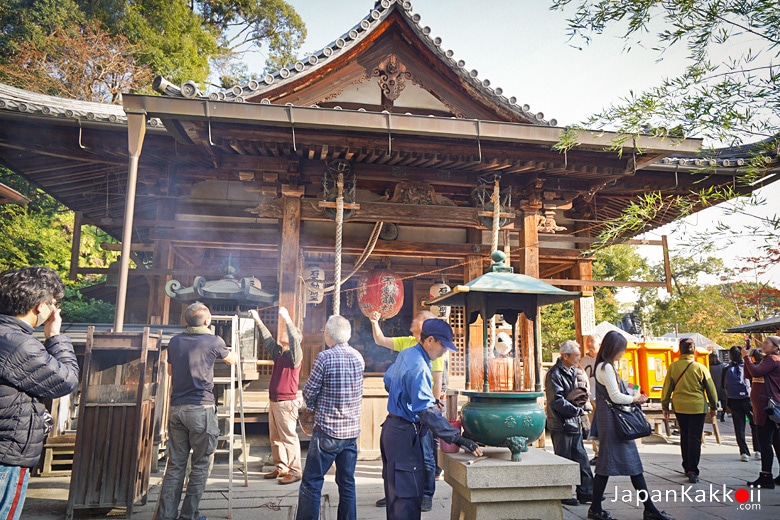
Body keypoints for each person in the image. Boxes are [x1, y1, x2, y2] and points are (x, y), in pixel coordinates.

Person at [381, 318, 482, 520]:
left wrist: (405, 398)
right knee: (407, 499)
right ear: (430, 340)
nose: (444, 351)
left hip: (391, 431)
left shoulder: (406, 354)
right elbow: (426, 411)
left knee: (395, 496)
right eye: (443, 346)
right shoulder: (419, 366)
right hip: (404, 435)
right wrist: (458, 438)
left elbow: (388, 381)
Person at [0, 267, 80, 520]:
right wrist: (55, 336)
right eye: (53, 303)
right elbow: (66, 380)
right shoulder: (18, 343)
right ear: (39, 306)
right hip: (7, 452)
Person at [158, 302, 238, 520]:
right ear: (206, 321)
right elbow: (231, 360)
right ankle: (189, 515)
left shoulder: (174, 342)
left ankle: (166, 515)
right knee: (201, 463)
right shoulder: (214, 340)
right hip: (201, 407)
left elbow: (171, 371)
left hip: (176, 408)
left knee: (175, 464)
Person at [588, 331, 674, 520]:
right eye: (621, 350)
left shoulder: (602, 366)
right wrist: (635, 399)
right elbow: (616, 397)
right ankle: (649, 509)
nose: (622, 353)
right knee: (629, 465)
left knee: (607, 465)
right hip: (613, 422)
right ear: (613, 349)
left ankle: (596, 507)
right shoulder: (606, 367)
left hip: (609, 420)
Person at [369, 310, 443, 510]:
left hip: (422, 412)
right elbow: (380, 340)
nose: (413, 322)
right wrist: (374, 322)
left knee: (426, 455)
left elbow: (437, 380)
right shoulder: (408, 342)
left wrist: (432, 406)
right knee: (396, 457)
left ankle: (427, 494)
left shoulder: (434, 347)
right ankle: (393, 492)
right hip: (402, 414)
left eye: (418, 320)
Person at [296, 315, 364, 520]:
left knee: (312, 482)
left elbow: (309, 392)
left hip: (327, 431)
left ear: (328, 335)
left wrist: (312, 405)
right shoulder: (358, 357)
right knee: (347, 483)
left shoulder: (325, 358)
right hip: (351, 432)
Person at [250, 307, 303, 485]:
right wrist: (258, 320)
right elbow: (267, 340)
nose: (283, 333)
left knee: (288, 437)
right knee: (275, 437)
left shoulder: (296, 356)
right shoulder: (280, 353)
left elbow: (295, 339)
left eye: (287, 333)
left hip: (286, 402)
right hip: (274, 401)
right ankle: (282, 467)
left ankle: (295, 470)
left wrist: (287, 318)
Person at [661, 338, 718, 484]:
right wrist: (713, 406)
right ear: (694, 350)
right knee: (695, 437)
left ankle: (686, 465)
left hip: (680, 406)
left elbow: (667, 387)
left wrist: (665, 406)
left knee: (684, 435)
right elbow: (711, 389)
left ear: (680, 350)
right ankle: (693, 469)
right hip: (697, 407)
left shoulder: (673, 367)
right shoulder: (701, 368)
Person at [545, 340, 593, 506]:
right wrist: (576, 410)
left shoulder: (572, 370)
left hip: (574, 421)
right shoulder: (555, 374)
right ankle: (563, 493)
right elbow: (556, 400)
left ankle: (586, 492)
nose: (579, 358)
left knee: (582, 458)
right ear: (565, 356)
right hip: (561, 422)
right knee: (563, 459)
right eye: (576, 355)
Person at [743, 336, 780, 489]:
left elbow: (756, 373)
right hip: (765, 405)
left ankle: (766, 475)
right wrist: (748, 358)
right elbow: (749, 374)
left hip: (767, 406)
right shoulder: (769, 360)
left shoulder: (772, 359)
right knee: (776, 441)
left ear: (776, 346)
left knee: (764, 440)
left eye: (766, 343)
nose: (763, 345)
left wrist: (746, 357)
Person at [722, 346, 760, 462]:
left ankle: (744, 452)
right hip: (748, 399)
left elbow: (722, 386)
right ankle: (758, 450)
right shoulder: (748, 366)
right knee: (754, 425)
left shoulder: (726, 368)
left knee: (739, 427)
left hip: (733, 400)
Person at [580, 334, 601, 465]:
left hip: (603, 398)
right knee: (594, 426)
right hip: (589, 398)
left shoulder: (605, 360)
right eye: (588, 341)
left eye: (592, 341)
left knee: (604, 426)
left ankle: (606, 453)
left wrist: (636, 388)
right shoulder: (583, 361)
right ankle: (598, 453)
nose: (589, 343)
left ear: (600, 343)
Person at [708, 352, 727, 422]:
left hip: (713, 387)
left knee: (714, 402)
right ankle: (722, 416)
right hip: (722, 387)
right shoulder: (722, 366)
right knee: (724, 402)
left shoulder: (708, 367)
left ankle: (715, 415)